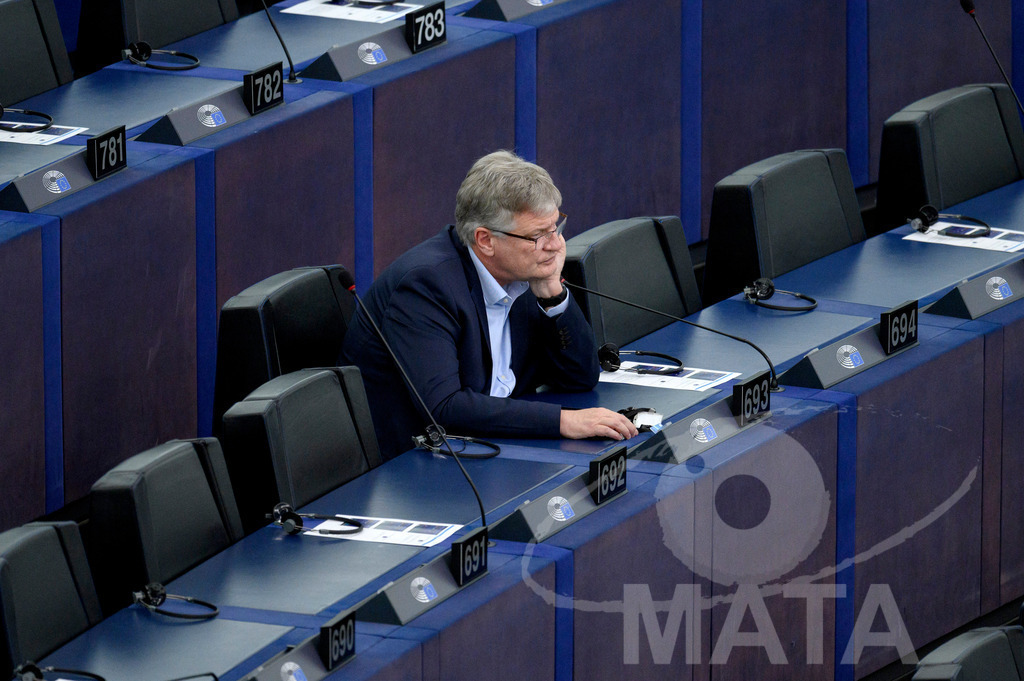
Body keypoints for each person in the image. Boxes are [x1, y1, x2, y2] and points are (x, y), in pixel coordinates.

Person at [341, 150, 638, 460]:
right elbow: (444, 407)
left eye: (555, 227)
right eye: (537, 235)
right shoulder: (424, 286)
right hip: (416, 468)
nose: (554, 245)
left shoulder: (523, 272)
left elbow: (579, 378)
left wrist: (552, 291)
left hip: (497, 446)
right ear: (485, 240)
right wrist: (563, 421)